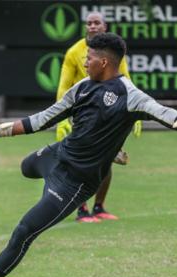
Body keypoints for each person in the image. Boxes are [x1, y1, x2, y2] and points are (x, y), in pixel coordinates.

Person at [0, 33, 177, 277]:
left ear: (104, 61)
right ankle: (109, 150)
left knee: (24, 231)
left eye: (90, 58)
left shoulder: (129, 95)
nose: (85, 62)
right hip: (59, 154)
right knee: (26, 167)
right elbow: (44, 118)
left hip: (74, 184)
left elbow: (160, 110)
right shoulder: (82, 87)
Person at [56, 12, 142, 223]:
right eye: (89, 23)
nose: (92, 26)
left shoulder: (114, 53)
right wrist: (61, 118)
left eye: (97, 23)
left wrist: (136, 112)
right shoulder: (74, 52)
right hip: (83, 112)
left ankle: (99, 206)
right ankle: (81, 210)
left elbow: (127, 80)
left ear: (105, 26)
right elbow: (63, 86)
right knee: (83, 163)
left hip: (108, 113)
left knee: (106, 162)